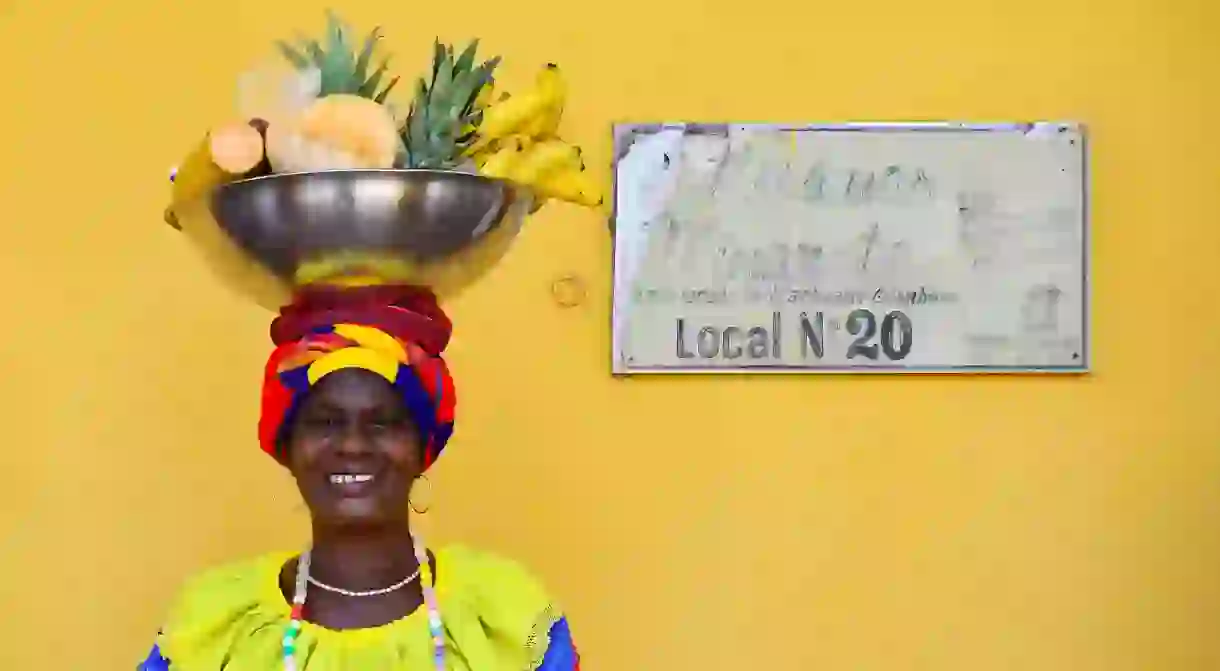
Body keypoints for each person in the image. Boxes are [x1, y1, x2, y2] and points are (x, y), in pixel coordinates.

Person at [139, 286, 581, 670]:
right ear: (288, 447)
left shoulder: (500, 618)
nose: (352, 445)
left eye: (383, 422)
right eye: (325, 422)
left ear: (422, 448)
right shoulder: (218, 624)